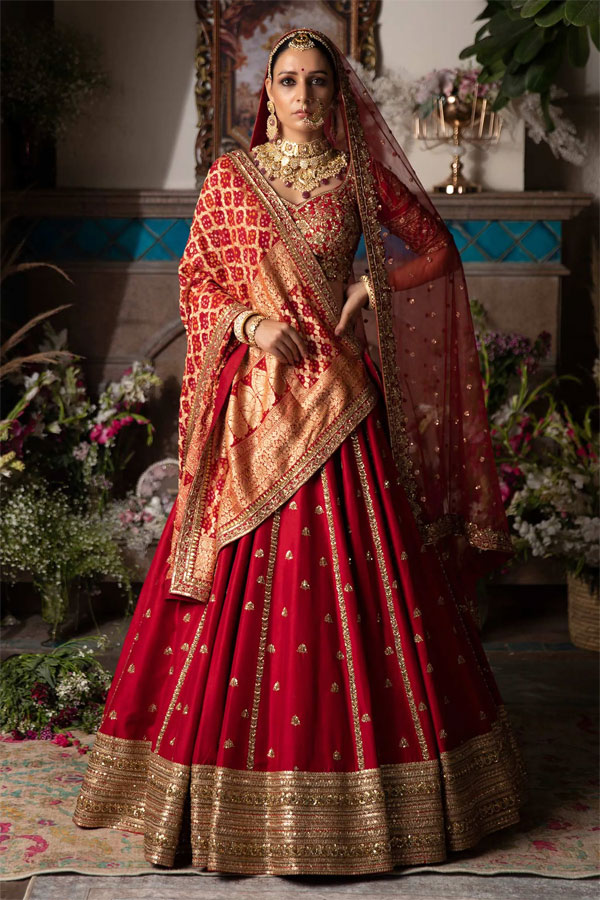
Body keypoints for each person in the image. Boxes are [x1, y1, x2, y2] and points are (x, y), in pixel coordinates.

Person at [72, 28, 528, 875]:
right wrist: (250, 323)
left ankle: (386, 790)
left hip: (338, 403)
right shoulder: (230, 181)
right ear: (266, 95)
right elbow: (197, 279)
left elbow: (434, 247)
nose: (307, 98)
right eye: (290, 82)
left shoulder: (359, 174)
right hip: (252, 409)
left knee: (370, 586)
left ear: (337, 94)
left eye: (321, 83)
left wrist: (366, 286)